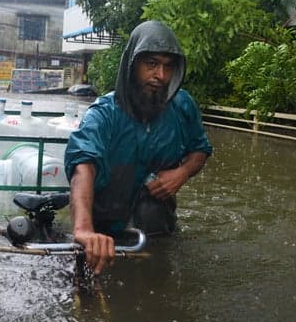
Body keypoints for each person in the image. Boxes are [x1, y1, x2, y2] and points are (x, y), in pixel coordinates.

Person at [64, 20, 213, 275]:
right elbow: (83, 166)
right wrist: (84, 230)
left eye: (168, 67)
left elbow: (200, 150)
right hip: (104, 232)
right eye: (151, 64)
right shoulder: (104, 114)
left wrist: (182, 173)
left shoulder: (182, 106)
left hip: (156, 231)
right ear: (132, 66)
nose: (161, 76)